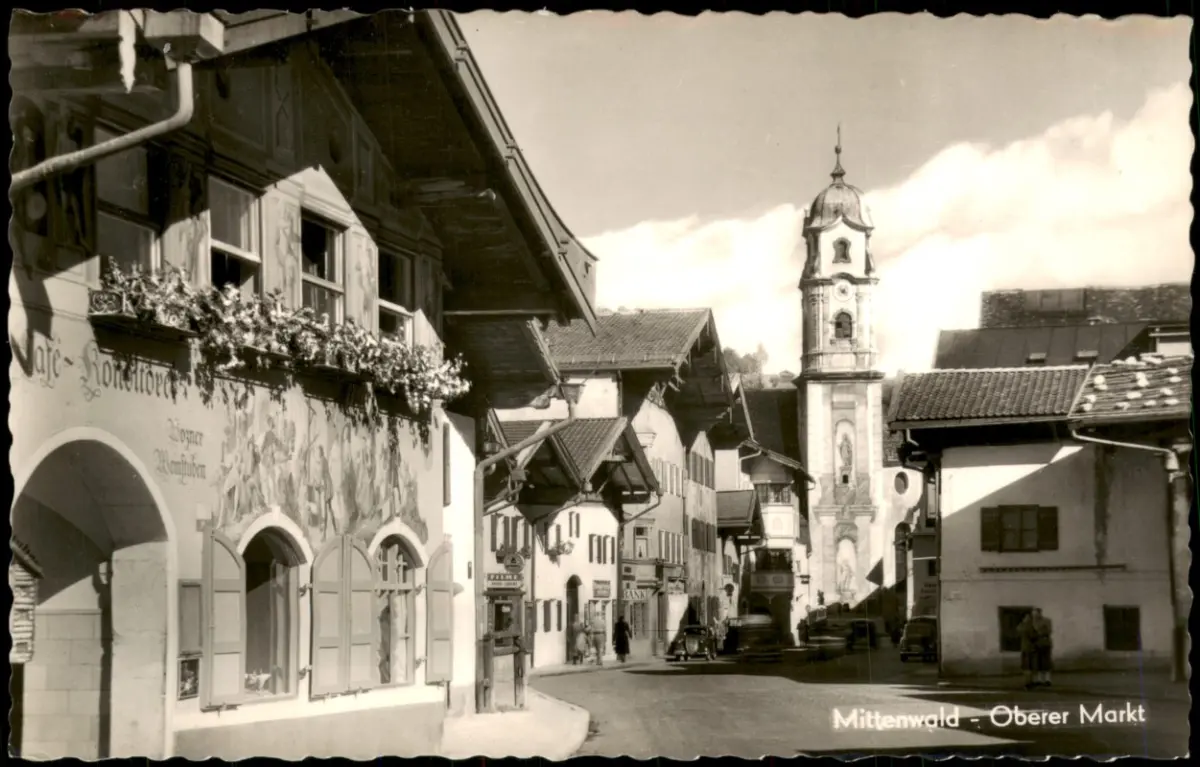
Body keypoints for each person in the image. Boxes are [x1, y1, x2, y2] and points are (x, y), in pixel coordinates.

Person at [1017, 610, 1041, 690]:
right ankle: (1029, 682)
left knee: (1026, 667)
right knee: (1030, 666)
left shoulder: (1020, 626)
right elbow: (1033, 636)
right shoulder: (1029, 627)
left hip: (1024, 648)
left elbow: (1018, 633)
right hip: (1030, 648)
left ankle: (1027, 682)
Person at [1031, 608, 1053, 687]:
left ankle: (1047, 679)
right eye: (1033, 614)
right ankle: (1040, 679)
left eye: (1036, 614)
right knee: (1038, 662)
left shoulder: (1046, 621)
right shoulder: (1032, 622)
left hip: (1045, 643)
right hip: (1036, 644)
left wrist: (1038, 632)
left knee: (1046, 662)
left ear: (1040, 613)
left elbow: (1048, 631)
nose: (1034, 615)